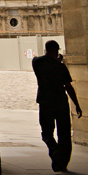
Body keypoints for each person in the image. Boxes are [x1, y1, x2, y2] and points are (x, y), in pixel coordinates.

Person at [32, 39, 83, 172]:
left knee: (47, 132)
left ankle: (54, 150)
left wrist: (56, 61)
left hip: (45, 101)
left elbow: (43, 62)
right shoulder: (61, 67)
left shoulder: (37, 62)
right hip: (60, 102)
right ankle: (62, 161)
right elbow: (68, 87)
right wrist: (76, 104)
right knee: (64, 134)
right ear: (56, 50)